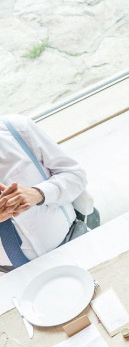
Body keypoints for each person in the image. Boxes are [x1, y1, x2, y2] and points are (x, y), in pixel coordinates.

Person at [1, 115, 90, 272]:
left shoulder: (17, 129)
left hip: (75, 243)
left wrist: (38, 193)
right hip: (11, 276)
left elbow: (76, 176)